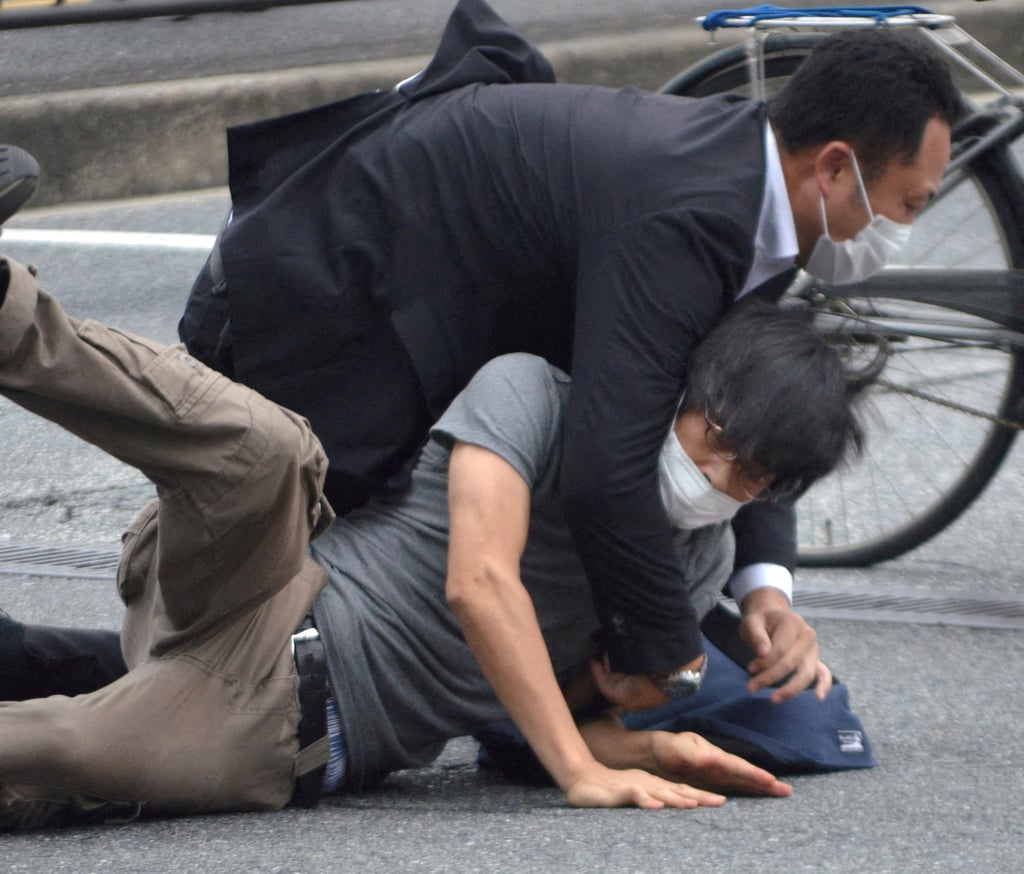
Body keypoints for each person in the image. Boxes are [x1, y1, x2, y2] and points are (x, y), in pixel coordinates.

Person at [177, 0, 963, 694]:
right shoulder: (692, 217)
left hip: (387, 309)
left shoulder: (751, 192)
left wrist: (765, 593)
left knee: (262, 652)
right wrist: (672, 663)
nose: (899, 231)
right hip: (297, 303)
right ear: (833, 168)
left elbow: (749, 400)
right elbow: (604, 470)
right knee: (237, 639)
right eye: (906, 204)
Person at [0, 228, 878, 828]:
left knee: (62, 750)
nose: (717, 477)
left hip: (279, 724)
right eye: (714, 440)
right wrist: (580, 766)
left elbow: (527, 729)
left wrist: (642, 735)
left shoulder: (694, 562)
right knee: (267, 448)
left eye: (752, 476)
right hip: (262, 581)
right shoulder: (534, 394)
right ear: (682, 393)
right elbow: (478, 581)